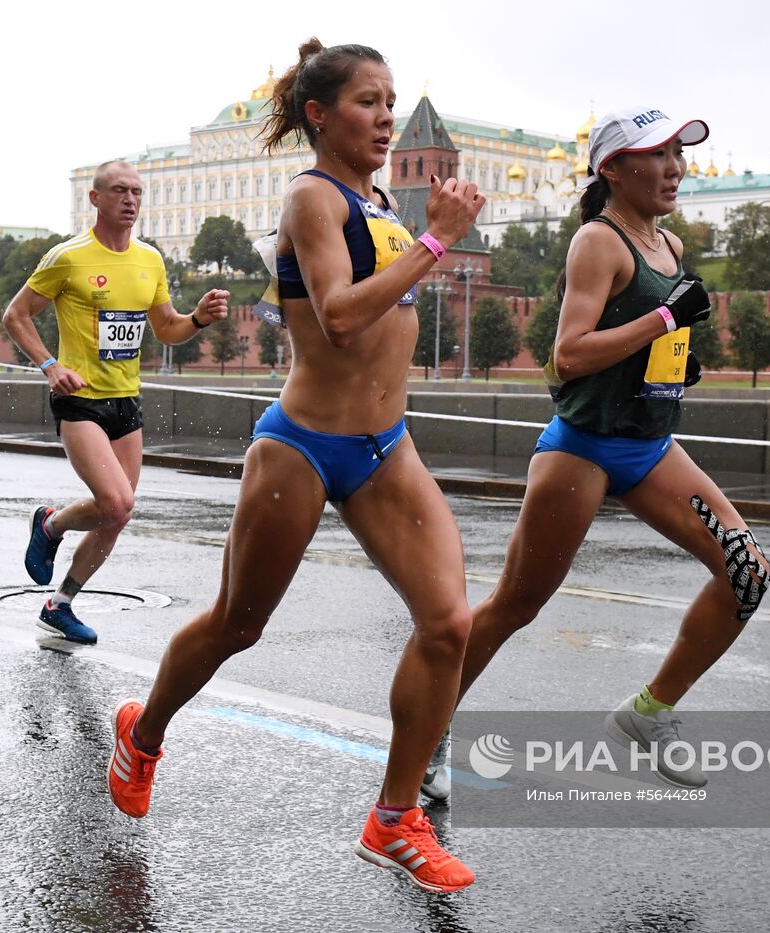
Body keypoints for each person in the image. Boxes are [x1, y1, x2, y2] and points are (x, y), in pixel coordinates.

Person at [105, 40, 485, 894]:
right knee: (238, 624)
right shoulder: (313, 197)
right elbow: (342, 317)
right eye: (368, 102)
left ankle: (394, 819)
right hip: (304, 444)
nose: (387, 117)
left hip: (388, 445)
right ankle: (145, 728)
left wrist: (422, 233)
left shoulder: (379, 199)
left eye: (392, 102)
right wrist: (438, 239)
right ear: (321, 114)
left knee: (448, 623)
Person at [423, 107, 770, 796]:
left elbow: (643, 342)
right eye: (659, 155)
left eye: (680, 154)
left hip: (648, 446)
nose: (675, 167)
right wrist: (667, 319)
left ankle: (648, 713)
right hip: (580, 450)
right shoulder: (598, 240)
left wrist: (672, 365)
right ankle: (428, 730)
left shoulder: (668, 246)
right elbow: (568, 355)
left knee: (747, 573)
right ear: (613, 168)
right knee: (514, 606)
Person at [3, 160, 229, 645]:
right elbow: (16, 315)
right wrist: (49, 366)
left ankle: (59, 604)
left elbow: (167, 328)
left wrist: (199, 319)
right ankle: (51, 523)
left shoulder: (150, 260)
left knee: (119, 515)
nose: (130, 200)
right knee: (116, 501)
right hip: (80, 400)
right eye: (120, 191)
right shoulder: (69, 257)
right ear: (96, 199)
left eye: (137, 192)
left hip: (126, 401)